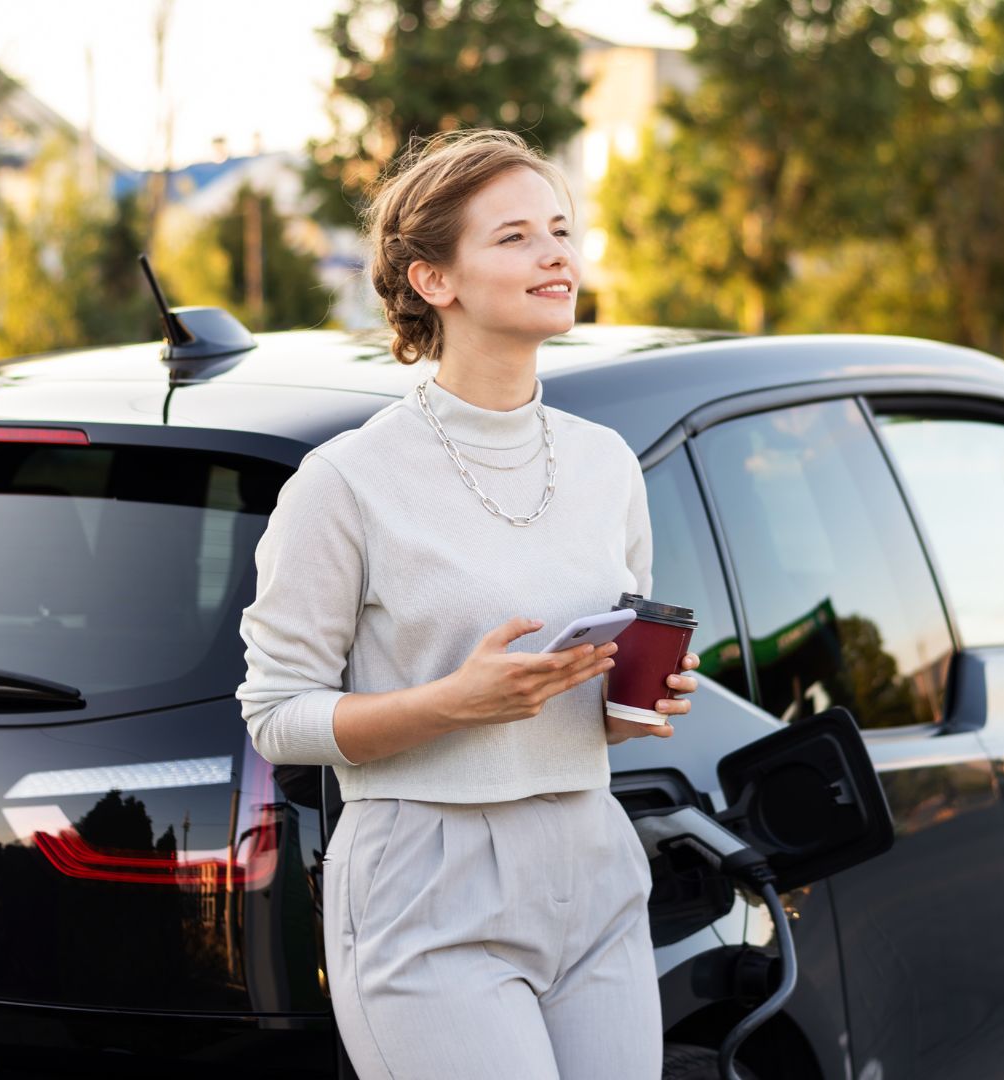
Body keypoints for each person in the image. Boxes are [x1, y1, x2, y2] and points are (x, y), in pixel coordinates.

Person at [234, 128, 699, 1080]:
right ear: (432, 279)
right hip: (425, 878)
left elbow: (583, 707)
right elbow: (277, 716)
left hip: (591, 860)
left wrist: (633, 703)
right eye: (516, 236)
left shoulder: (607, 463)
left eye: (562, 231)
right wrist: (456, 701)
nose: (556, 254)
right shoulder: (347, 481)